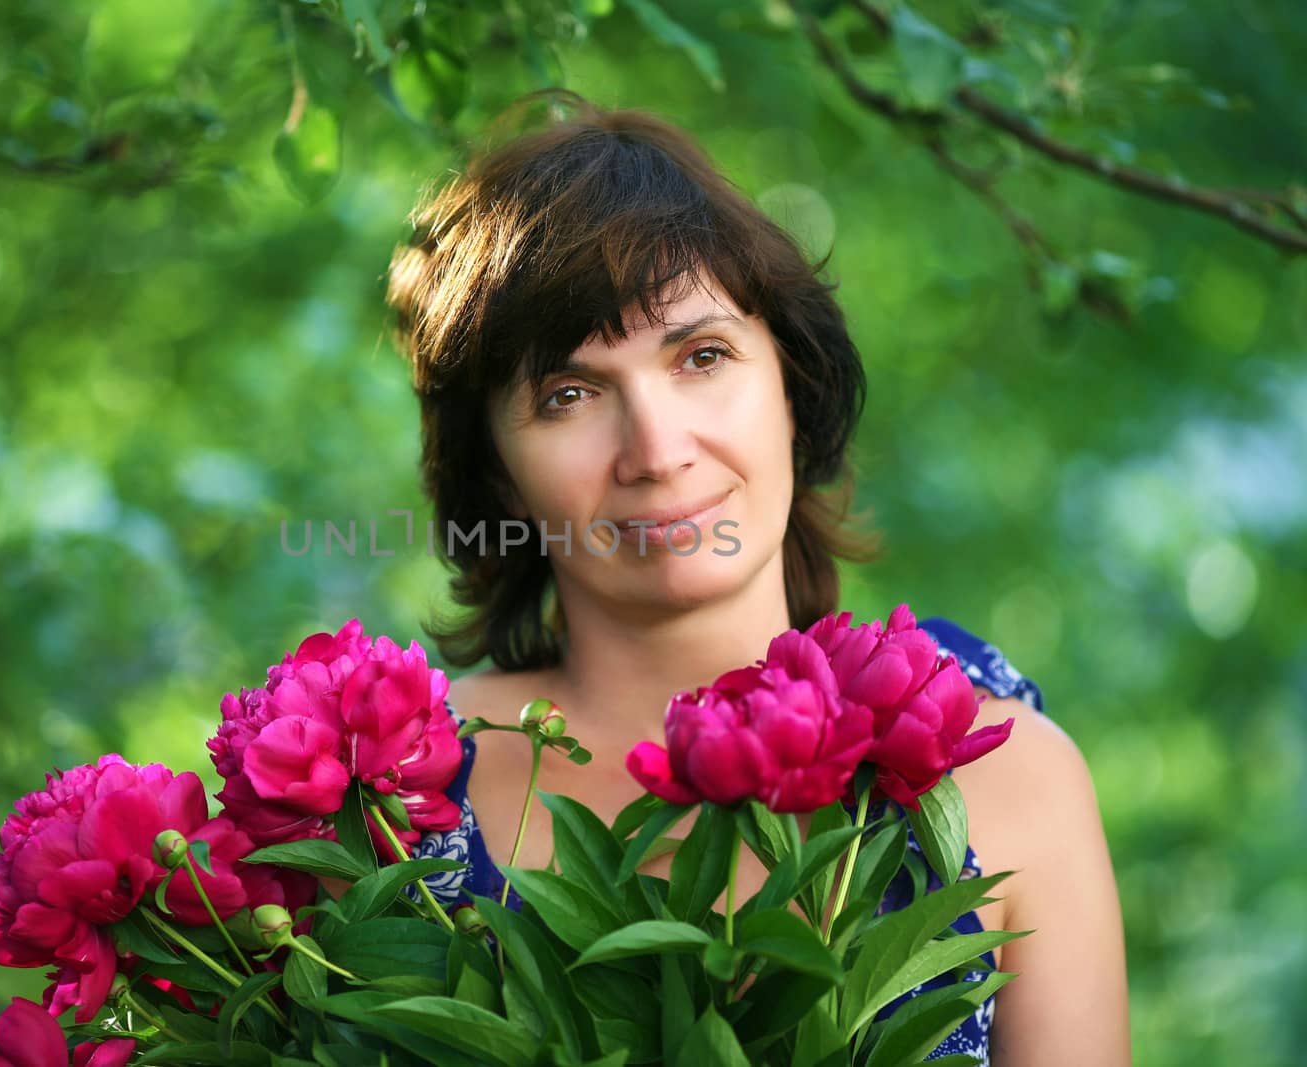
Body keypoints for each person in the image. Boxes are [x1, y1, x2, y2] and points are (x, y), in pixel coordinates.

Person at [384, 89, 1130, 1065]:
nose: (655, 449)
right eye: (568, 393)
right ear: (494, 471)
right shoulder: (389, 805)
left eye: (701, 355)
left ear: (792, 386)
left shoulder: (1003, 770)